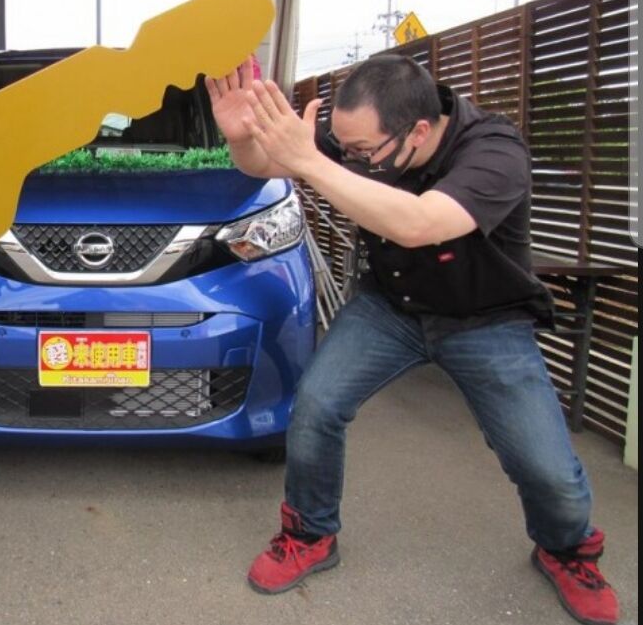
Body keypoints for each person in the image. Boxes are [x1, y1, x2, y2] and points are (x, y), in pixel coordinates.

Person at [206, 54, 619, 625]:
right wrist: (242, 140)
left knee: (544, 466)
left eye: (362, 153)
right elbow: (265, 165)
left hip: (486, 318)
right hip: (392, 308)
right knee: (316, 404)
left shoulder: (495, 152)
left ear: (418, 132)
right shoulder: (364, 133)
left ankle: (566, 550)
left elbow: (419, 224)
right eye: (344, 147)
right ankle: (310, 533)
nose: (351, 158)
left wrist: (310, 161)